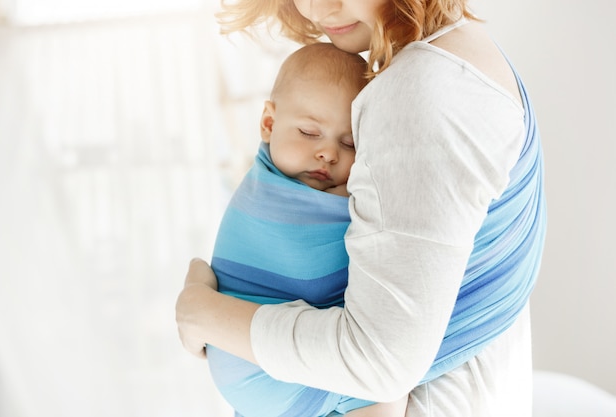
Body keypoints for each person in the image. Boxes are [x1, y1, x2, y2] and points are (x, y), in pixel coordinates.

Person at [176, 1, 547, 416]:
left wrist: (203, 313)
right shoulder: (456, 52)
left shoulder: (420, 90)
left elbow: (378, 363)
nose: (318, 6)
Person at [207, 42, 406, 417]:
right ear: (268, 123)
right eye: (309, 132)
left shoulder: (286, 178)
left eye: (349, 143)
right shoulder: (267, 196)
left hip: (243, 367)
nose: (329, 153)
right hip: (259, 366)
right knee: (386, 385)